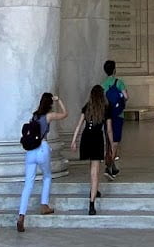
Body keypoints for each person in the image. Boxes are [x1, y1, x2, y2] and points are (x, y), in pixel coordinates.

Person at [16, 91, 68, 233]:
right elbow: (65, 114)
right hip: (42, 148)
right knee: (47, 176)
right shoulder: (49, 116)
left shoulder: (34, 116)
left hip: (30, 151)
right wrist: (59, 100)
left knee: (28, 184)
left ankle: (21, 215)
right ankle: (44, 205)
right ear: (50, 103)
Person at [70, 84, 114, 215]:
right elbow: (109, 130)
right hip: (96, 139)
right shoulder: (106, 108)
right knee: (95, 171)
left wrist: (73, 141)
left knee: (92, 168)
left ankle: (94, 190)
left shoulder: (87, 107)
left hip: (86, 138)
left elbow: (79, 125)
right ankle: (91, 203)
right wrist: (111, 145)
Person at [101, 59, 128, 178]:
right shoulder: (119, 82)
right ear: (114, 70)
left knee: (108, 140)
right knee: (115, 141)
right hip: (118, 115)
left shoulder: (102, 84)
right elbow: (126, 97)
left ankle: (113, 167)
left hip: (107, 115)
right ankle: (109, 166)